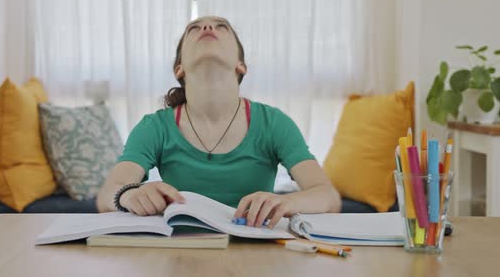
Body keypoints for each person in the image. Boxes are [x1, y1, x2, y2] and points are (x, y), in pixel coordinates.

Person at [97, 16, 341, 228]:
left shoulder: (274, 123)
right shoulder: (154, 127)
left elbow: (328, 197)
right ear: (179, 69)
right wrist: (129, 195)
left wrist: (288, 202)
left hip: (255, 250)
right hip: (180, 249)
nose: (207, 28)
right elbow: (107, 195)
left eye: (221, 26)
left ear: (241, 66)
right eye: (195, 28)